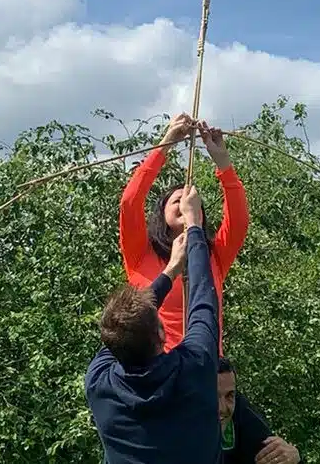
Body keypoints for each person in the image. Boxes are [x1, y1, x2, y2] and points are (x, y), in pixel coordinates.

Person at [86, 186, 222, 464]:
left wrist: (171, 268)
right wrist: (194, 226)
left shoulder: (99, 383)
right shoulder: (193, 369)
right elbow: (204, 300)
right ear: (162, 334)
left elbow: (202, 304)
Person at [147, 235, 303, 464]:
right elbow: (124, 328)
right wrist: (170, 271)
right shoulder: (164, 414)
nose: (223, 407)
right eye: (214, 396)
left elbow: (275, 454)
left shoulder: (238, 414)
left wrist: (294, 458)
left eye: (229, 396)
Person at [119, 113, 248, 353]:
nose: (185, 205)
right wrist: (166, 143)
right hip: (156, 366)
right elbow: (130, 202)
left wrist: (223, 162)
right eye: (177, 201)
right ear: (162, 213)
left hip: (203, 366)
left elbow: (238, 220)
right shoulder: (141, 253)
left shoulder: (214, 256)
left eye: (192, 202)